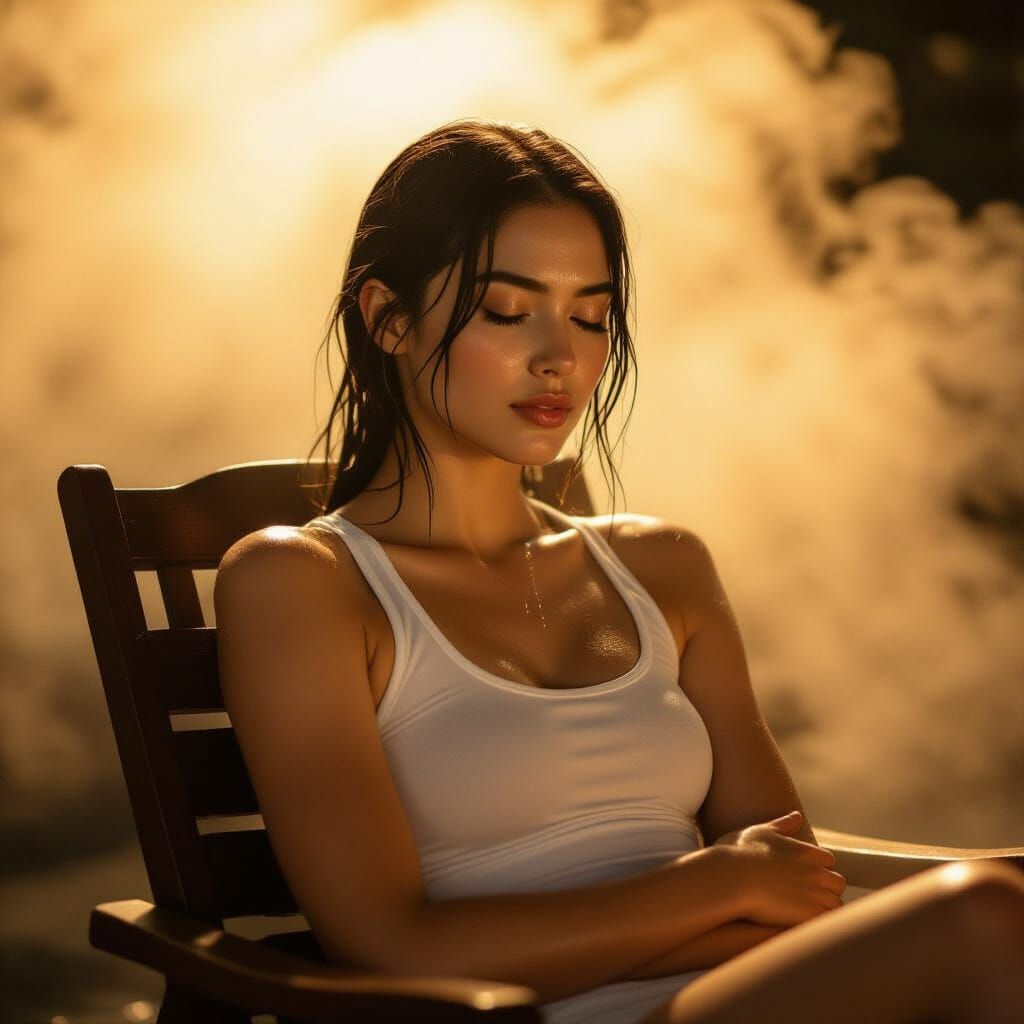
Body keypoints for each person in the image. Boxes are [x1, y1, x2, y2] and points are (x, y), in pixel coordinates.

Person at [213, 118, 1024, 1024]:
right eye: (508, 310)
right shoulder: (301, 584)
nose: (561, 357)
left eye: (591, 317)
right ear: (389, 318)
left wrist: (735, 894)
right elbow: (389, 944)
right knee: (984, 921)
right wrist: (715, 888)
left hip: (751, 998)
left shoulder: (662, 566)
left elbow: (795, 891)